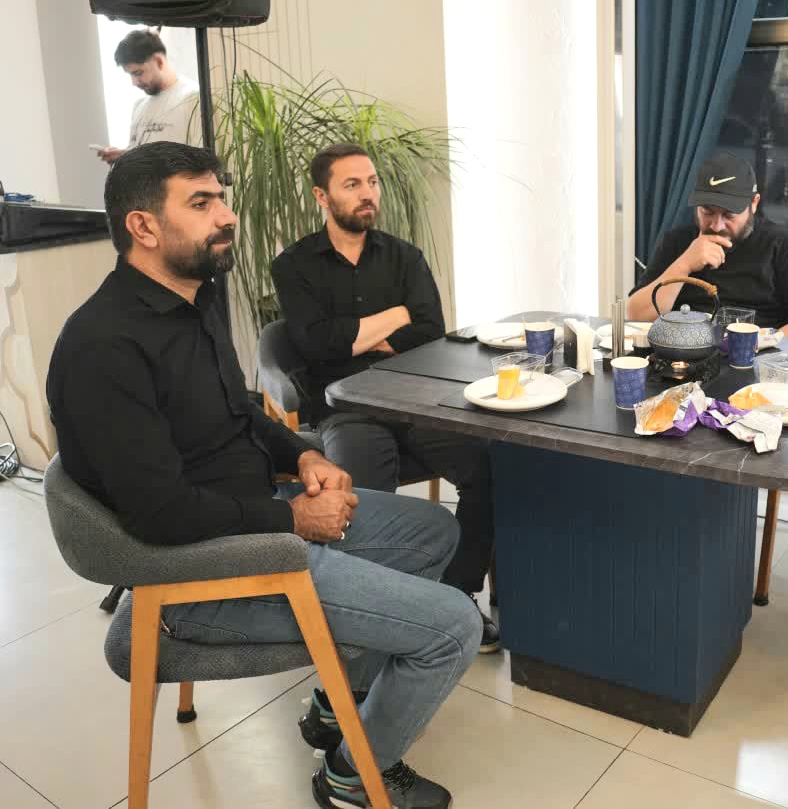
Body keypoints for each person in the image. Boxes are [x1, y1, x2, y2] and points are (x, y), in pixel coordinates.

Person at [47, 142, 479, 809]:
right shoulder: (102, 348)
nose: (227, 215)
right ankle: (352, 776)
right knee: (455, 627)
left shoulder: (195, 299)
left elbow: (241, 411)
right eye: (201, 203)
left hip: (253, 510)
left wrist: (304, 457)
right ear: (143, 227)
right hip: (208, 573)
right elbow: (159, 514)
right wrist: (294, 519)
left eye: (222, 198)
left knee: (433, 532)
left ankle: (340, 706)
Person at [271, 142, 500, 653]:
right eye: (352, 184)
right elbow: (317, 345)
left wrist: (354, 335)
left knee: (489, 467)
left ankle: (457, 594)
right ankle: (371, 621)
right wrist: (395, 316)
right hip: (346, 409)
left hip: (416, 402)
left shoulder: (404, 257)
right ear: (322, 196)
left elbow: (430, 333)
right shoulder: (294, 265)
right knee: (361, 500)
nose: (368, 193)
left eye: (372, 182)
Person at [627, 153, 788, 341]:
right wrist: (684, 265)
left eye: (729, 214)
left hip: (757, 356)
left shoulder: (781, 245)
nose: (717, 226)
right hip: (684, 351)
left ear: (754, 203)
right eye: (707, 212)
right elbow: (636, 315)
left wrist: (748, 343)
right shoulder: (676, 241)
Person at [96, 30, 200, 165]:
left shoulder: (193, 98)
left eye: (138, 73)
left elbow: (199, 160)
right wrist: (124, 157)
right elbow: (139, 153)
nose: (134, 82)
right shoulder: (139, 105)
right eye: (130, 75)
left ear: (159, 61)